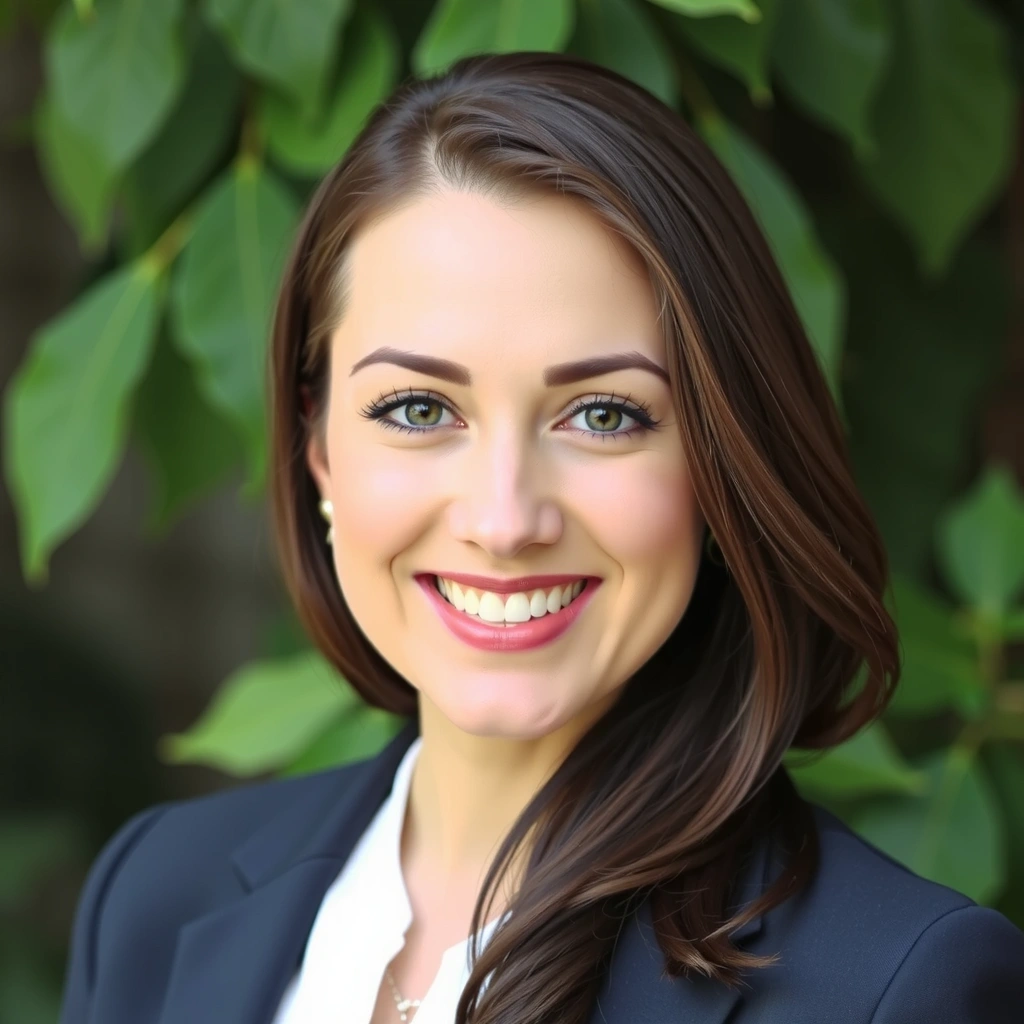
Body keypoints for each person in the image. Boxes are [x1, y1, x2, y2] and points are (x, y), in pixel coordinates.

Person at [58, 51, 1024, 1024]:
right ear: (318, 451)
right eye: (416, 407)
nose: (504, 519)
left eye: (602, 415)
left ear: (722, 465)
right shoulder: (154, 893)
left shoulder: (899, 988)